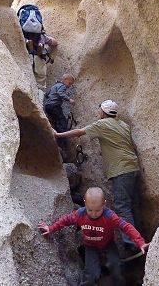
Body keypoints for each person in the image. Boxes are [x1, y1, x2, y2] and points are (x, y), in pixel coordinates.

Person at [54, 100, 143, 260]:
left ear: (103, 112)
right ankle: (141, 242)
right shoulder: (122, 124)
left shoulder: (102, 124)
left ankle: (132, 245)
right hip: (133, 167)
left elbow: (80, 132)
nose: (98, 112)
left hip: (121, 170)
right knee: (134, 206)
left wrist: (58, 135)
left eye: (99, 110)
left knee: (123, 207)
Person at [38, 187, 149, 286]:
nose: (93, 213)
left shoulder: (109, 216)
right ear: (85, 203)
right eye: (90, 210)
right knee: (91, 274)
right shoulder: (80, 214)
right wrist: (50, 228)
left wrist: (140, 242)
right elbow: (65, 220)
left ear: (104, 204)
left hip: (108, 243)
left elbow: (126, 227)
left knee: (116, 268)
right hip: (90, 246)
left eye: (97, 210)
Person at [44, 73, 75, 150]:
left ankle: (57, 138)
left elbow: (47, 94)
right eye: (69, 83)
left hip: (48, 106)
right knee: (63, 122)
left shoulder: (55, 86)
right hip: (54, 106)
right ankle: (62, 142)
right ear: (65, 80)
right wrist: (69, 99)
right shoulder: (62, 86)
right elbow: (60, 93)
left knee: (57, 122)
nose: (69, 86)